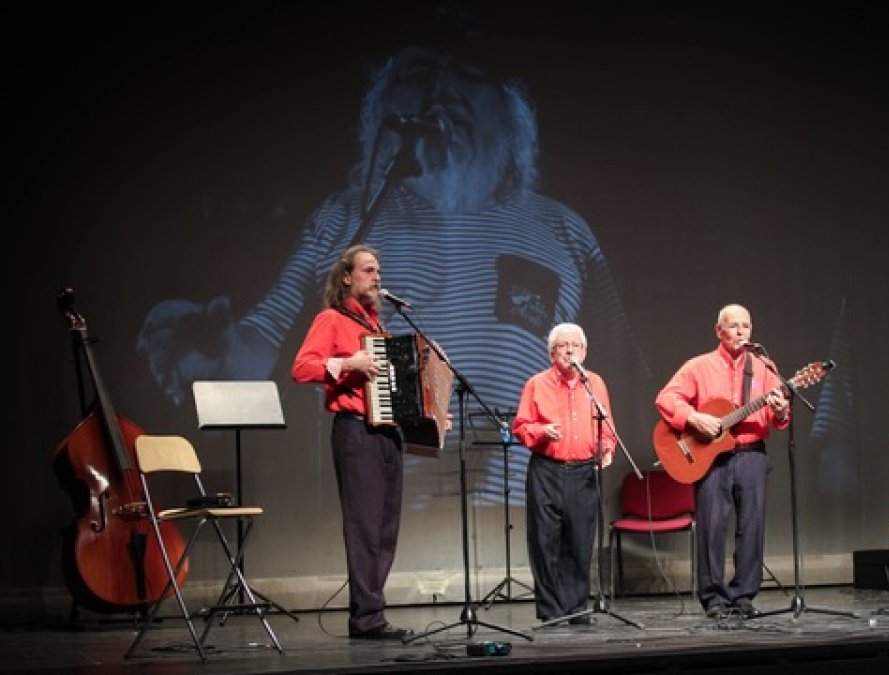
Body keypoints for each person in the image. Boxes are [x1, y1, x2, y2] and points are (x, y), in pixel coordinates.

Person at [135, 9, 646, 505]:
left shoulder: (563, 229)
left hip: (519, 494)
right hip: (391, 471)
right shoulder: (342, 218)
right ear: (382, 104)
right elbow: (262, 337)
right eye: (420, 73)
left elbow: (624, 362)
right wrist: (214, 352)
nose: (440, 94)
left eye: (466, 75)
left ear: (511, 107)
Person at [291, 244, 421, 640]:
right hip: (355, 431)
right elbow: (301, 368)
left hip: (387, 434)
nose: (377, 277)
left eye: (379, 270)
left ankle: (371, 613)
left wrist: (424, 410)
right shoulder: (332, 319)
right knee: (365, 528)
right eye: (368, 270)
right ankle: (366, 620)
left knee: (385, 529)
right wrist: (347, 363)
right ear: (347, 276)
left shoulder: (379, 329)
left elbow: (395, 389)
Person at [654, 304, 791, 618]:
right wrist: (693, 417)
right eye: (734, 326)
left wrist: (781, 411)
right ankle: (714, 599)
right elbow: (666, 398)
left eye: (746, 325)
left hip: (752, 453)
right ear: (719, 330)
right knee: (712, 528)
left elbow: (777, 416)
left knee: (752, 526)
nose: (741, 332)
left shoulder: (764, 366)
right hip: (711, 459)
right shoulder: (698, 366)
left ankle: (744, 596)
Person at [512, 322, 615, 625]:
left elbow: (607, 427)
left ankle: (577, 608)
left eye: (577, 346)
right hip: (546, 471)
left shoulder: (595, 383)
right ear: (551, 353)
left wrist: (606, 449)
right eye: (563, 346)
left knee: (580, 542)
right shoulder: (536, 383)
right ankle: (551, 611)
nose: (570, 350)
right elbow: (520, 427)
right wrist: (542, 430)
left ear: (585, 351)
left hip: (583, 473)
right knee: (545, 543)